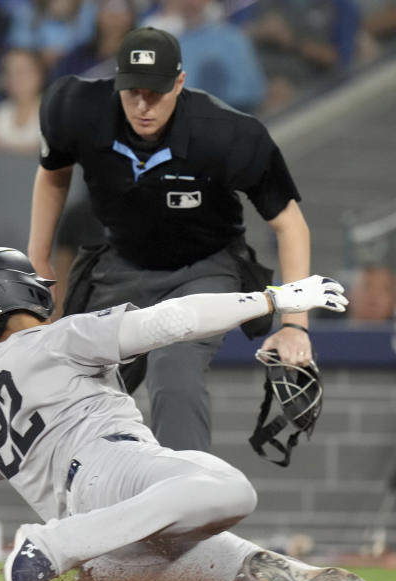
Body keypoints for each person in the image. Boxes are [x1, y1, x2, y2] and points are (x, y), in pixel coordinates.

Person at [0, 247, 371, 581]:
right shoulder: (59, 337)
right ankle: (49, 546)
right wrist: (274, 298)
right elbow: (173, 319)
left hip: (112, 547)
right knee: (229, 490)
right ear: (22, 291)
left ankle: (264, 571)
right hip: (110, 472)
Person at [27, 26, 314, 452]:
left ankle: (188, 502)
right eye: (132, 92)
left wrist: (295, 325)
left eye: (156, 93)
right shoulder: (74, 108)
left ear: (180, 83)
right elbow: (54, 174)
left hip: (204, 267)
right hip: (121, 263)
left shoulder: (229, 134)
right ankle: (86, 501)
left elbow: (291, 225)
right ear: (116, 82)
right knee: (78, 382)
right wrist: (38, 258)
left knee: (173, 366)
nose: (143, 106)